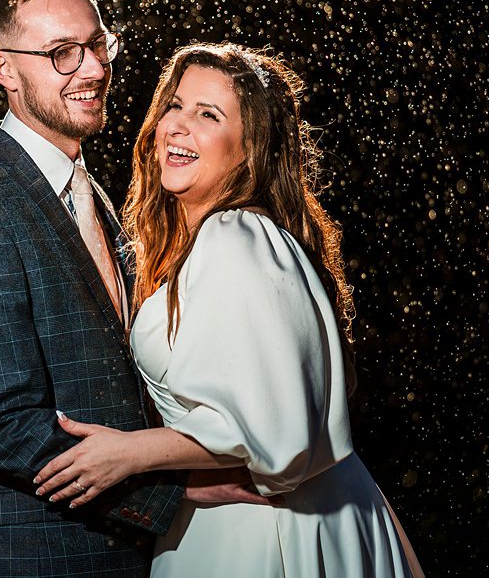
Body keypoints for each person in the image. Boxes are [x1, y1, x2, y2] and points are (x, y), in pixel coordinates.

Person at [0, 0, 264, 578]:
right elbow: (1, 427)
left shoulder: (87, 190)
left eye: (98, 44)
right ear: (5, 71)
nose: (94, 69)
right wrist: (169, 496)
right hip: (35, 558)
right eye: (62, 54)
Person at [34, 43, 425, 577]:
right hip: (256, 514)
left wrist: (131, 454)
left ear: (249, 150)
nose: (177, 125)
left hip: (265, 532)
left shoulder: (236, 234)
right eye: (174, 105)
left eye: (208, 115)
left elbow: (279, 435)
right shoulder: (203, 242)